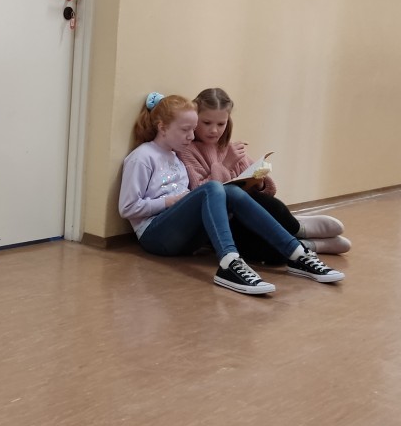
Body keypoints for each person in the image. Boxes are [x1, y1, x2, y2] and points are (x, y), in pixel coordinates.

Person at [118, 93, 346, 295]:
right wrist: (171, 201)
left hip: (184, 237)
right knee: (214, 188)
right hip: (154, 236)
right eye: (185, 130)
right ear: (162, 127)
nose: (191, 136)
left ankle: (297, 254)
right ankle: (229, 263)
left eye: (192, 129)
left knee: (231, 191)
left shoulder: (175, 156)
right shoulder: (142, 157)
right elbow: (127, 208)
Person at [176, 87, 351, 263]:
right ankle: (309, 245)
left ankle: (298, 228)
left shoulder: (229, 147)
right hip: (221, 222)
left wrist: (259, 182)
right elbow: (199, 193)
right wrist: (225, 166)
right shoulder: (186, 150)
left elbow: (268, 191)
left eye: (221, 124)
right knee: (269, 255)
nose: (214, 130)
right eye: (207, 123)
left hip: (245, 214)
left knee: (268, 204)